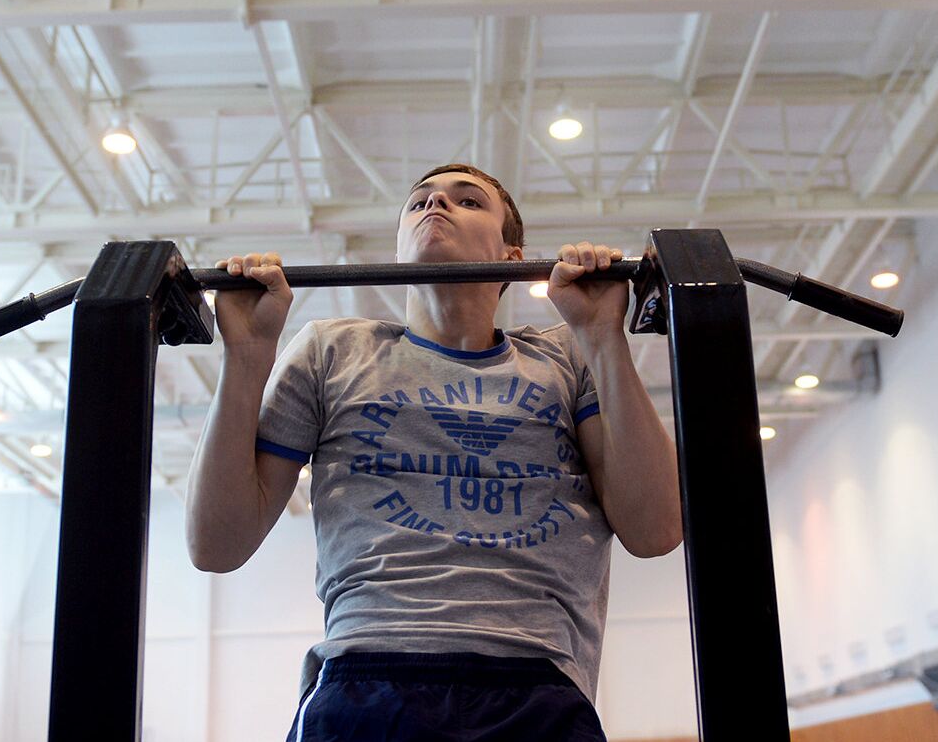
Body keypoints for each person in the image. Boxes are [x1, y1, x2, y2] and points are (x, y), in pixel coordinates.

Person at [186, 163, 681, 741]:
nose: (435, 206)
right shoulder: (331, 352)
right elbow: (216, 546)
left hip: (535, 684)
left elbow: (656, 530)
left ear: (513, 256)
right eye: (419, 201)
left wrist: (603, 337)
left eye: (468, 201)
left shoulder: (567, 358)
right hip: (366, 677)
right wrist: (246, 354)